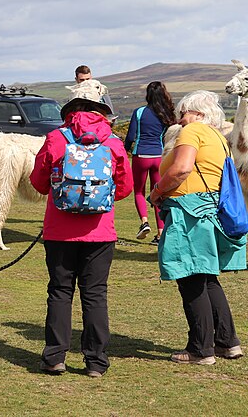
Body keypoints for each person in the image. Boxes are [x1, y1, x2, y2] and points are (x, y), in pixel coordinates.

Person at [30, 86, 133, 377]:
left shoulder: (55, 139)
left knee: (60, 292)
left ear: (70, 112)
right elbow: (124, 188)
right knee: (95, 295)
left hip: (59, 230)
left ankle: (54, 357)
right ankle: (96, 362)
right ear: (102, 113)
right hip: (100, 232)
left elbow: (38, 182)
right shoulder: (113, 142)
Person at [149, 90, 245, 365]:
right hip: (210, 209)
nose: (180, 119)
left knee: (190, 277)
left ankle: (200, 349)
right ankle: (228, 342)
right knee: (207, 277)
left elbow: (181, 169)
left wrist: (156, 192)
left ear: (198, 114)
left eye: (183, 113)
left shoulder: (193, 132)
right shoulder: (218, 137)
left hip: (188, 212)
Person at [124, 81, 176, 244]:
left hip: (141, 156)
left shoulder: (139, 112)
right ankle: (161, 233)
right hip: (159, 156)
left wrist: (125, 150)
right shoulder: (167, 114)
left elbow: (131, 137)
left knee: (139, 191)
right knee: (158, 193)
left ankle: (144, 222)